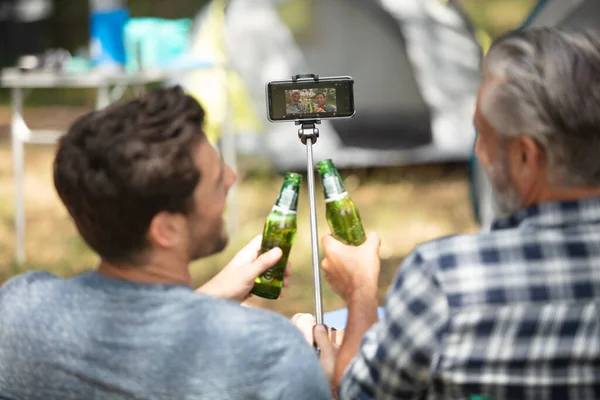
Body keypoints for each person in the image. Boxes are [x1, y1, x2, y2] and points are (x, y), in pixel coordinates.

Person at [296, 28, 600, 399]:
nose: (478, 152)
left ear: (525, 156)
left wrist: (360, 291)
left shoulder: (447, 278)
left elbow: (365, 393)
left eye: (483, 134)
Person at [0, 86, 332, 399]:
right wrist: (326, 379)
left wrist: (213, 295)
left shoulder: (17, 311)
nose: (231, 178)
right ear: (165, 230)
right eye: (217, 179)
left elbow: (134, 357)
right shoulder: (267, 351)